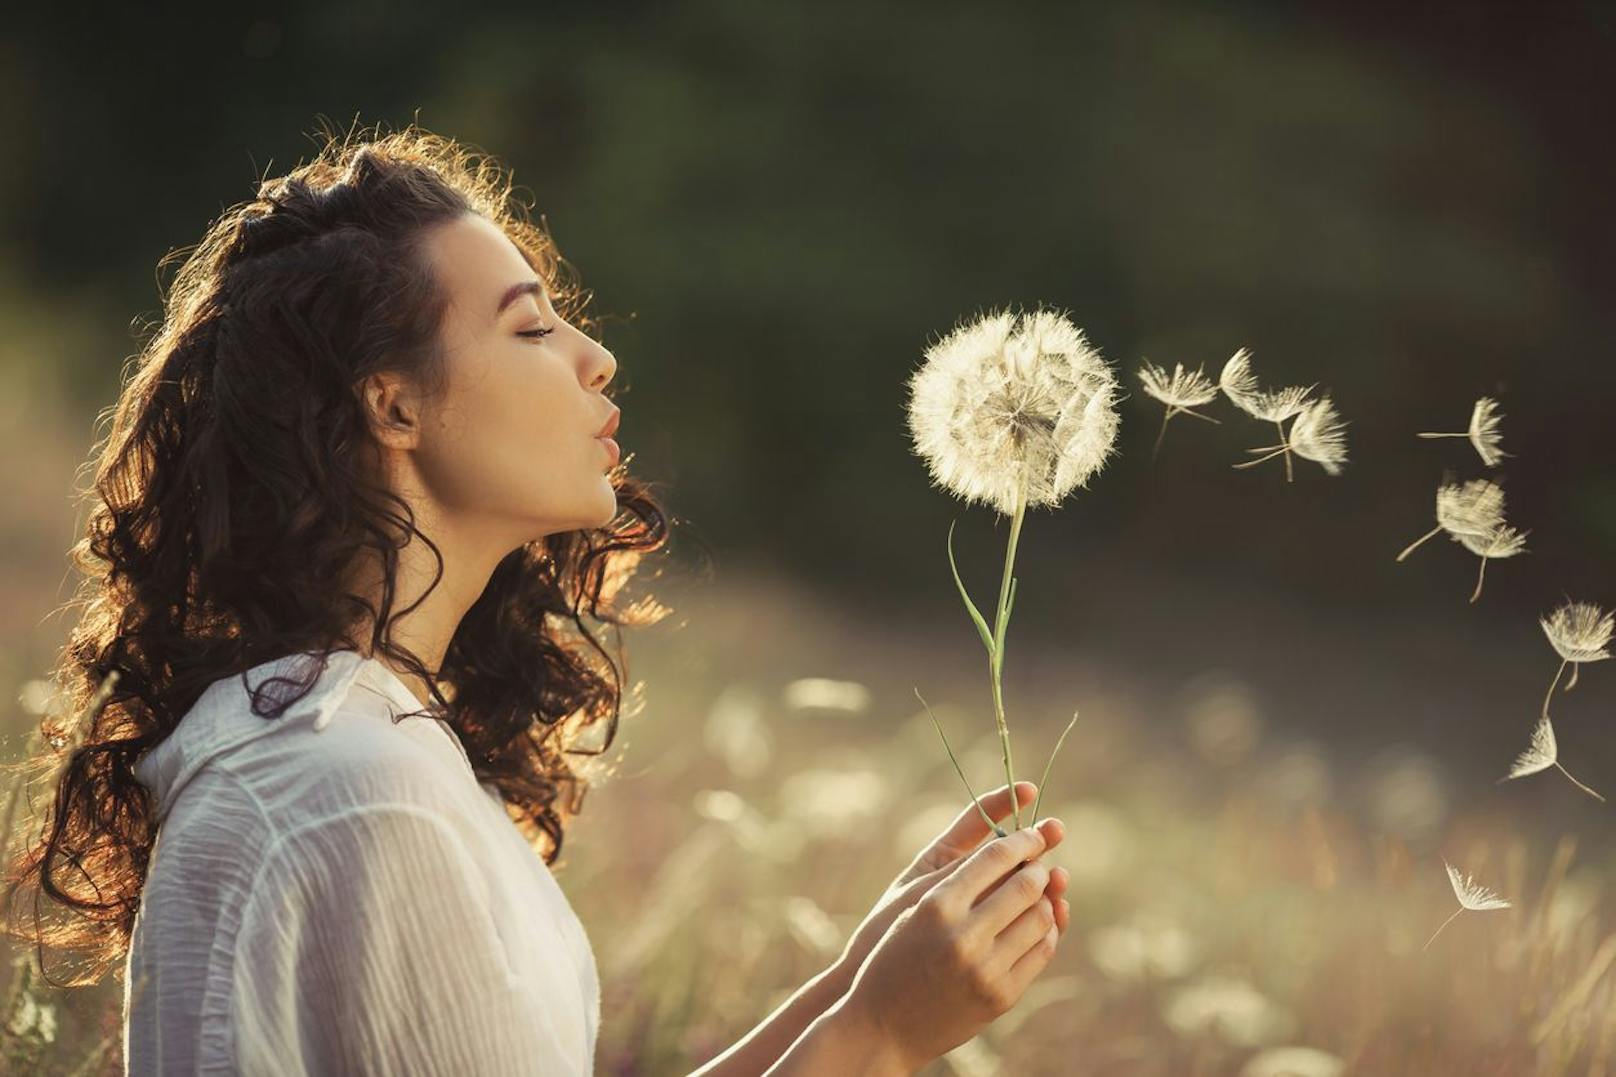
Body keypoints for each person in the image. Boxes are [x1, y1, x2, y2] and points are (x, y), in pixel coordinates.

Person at [0, 119, 1071, 1075]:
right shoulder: (360, 794)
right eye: (529, 329)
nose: (596, 358)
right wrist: (878, 1040)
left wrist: (849, 987)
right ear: (392, 404)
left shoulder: (344, 740)